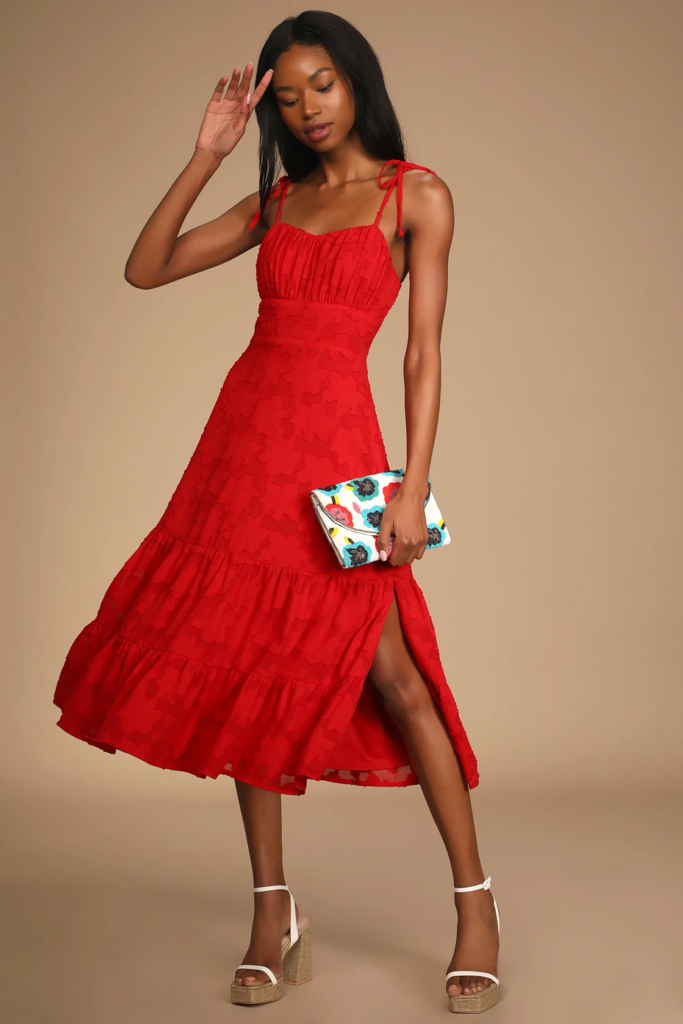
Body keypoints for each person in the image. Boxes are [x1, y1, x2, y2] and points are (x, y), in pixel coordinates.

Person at [53, 11, 501, 1015]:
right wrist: (204, 154)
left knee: (397, 677)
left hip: (342, 459)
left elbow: (421, 353)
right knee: (253, 668)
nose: (305, 108)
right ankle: (272, 908)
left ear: (357, 82)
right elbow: (146, 265)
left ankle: (474, 904)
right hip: (244, 449)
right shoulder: (274, 202)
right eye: (285, 95)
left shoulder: (414, 196)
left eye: (321, 86)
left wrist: (408, 490)